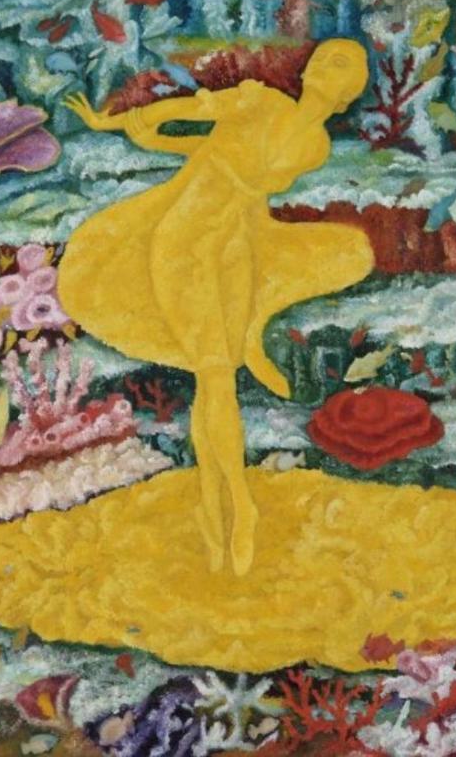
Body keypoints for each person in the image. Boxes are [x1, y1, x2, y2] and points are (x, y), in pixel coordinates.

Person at [59, 39, 374, 575]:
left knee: (217, 379)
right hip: (183, 244)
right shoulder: (261, 101)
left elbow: (219, 157)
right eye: (323, 58)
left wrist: (155, 134)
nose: (326, 65)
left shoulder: (315, 146)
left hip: (235, 245)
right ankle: (228, 503)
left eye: (342, 63)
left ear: (351, 90)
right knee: (213, 373)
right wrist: (122, 122)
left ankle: (226, 503)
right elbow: (193, 113)